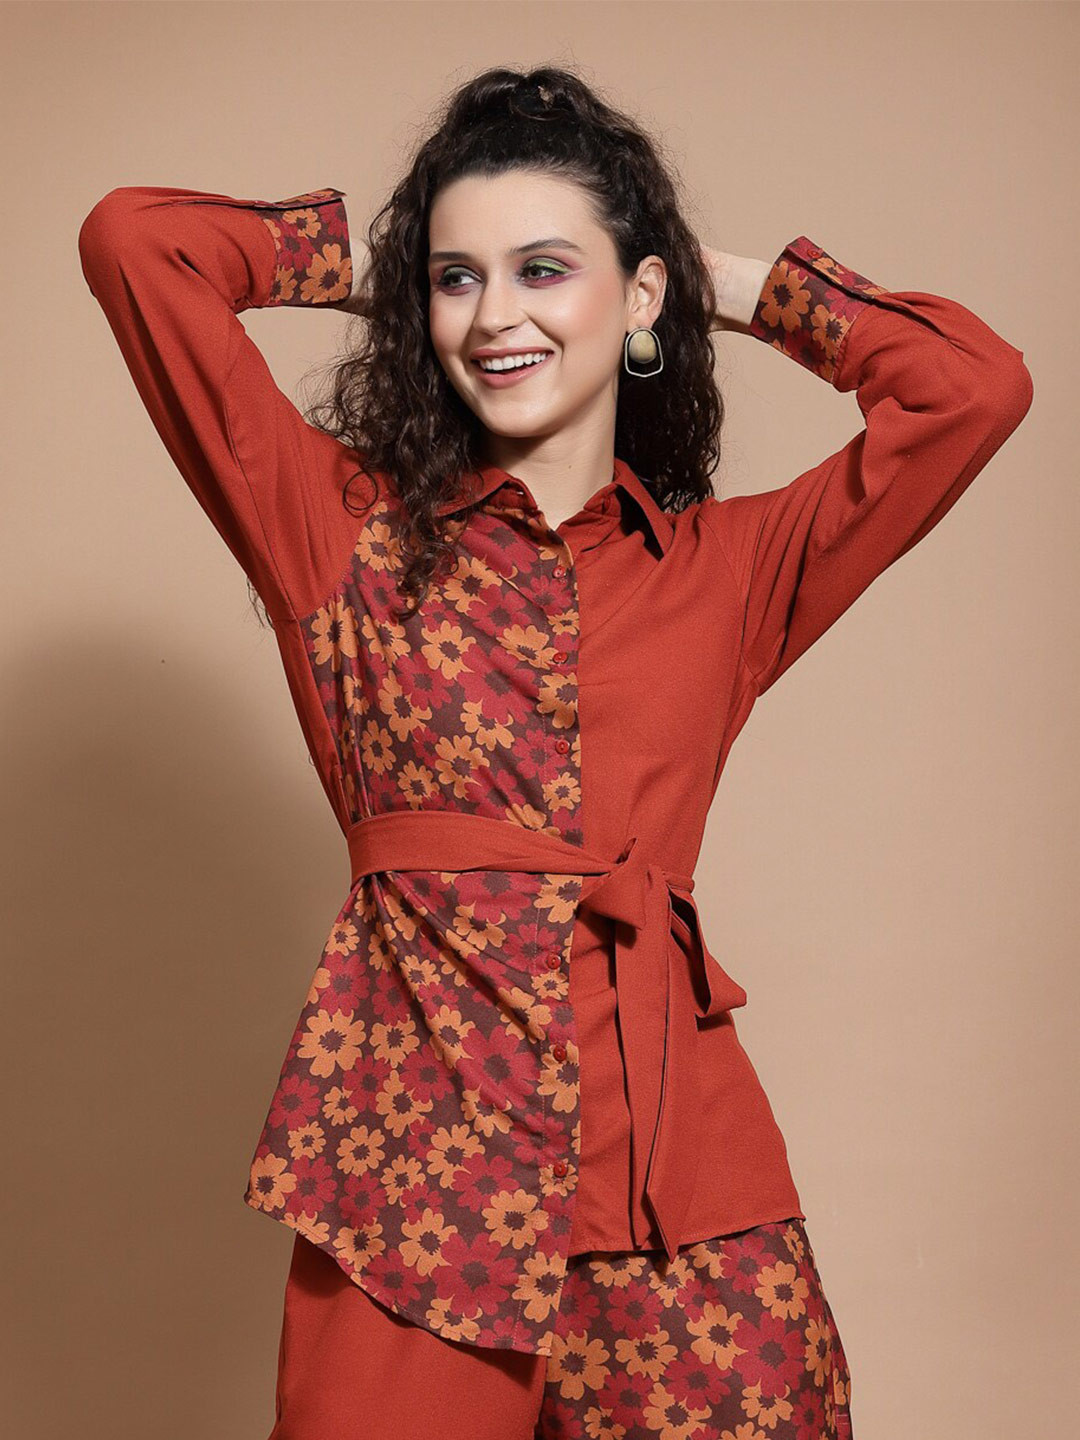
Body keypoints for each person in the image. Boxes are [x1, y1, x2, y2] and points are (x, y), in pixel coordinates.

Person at [77, 62, 1031, 1440]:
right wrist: (387, 267)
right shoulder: (334, 529)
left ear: (639, 299)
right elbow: (135, 242)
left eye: (542, 269)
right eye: (457, 280)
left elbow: (973, 389)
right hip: (414, 1183)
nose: (495, 316)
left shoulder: (726, 569)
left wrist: (712, 278)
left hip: (677, 1180)